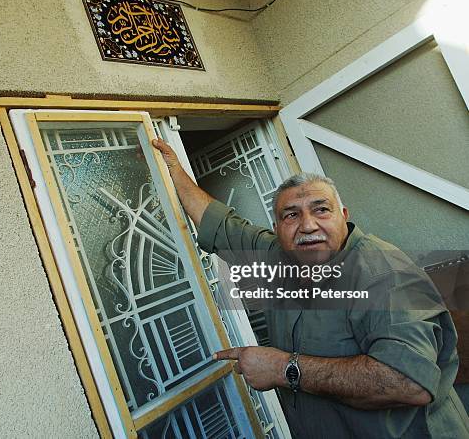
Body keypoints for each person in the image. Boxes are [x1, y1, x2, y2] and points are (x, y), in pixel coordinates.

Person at [152, 138, 469, 438]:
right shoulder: (280, 254)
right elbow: (222, 227)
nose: (307, 225)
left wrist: (282, 368)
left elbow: (407, 382)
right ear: (277, 229)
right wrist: (174, 171)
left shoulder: (385, 273)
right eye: (291, 215)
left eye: (321, 210)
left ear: (343, 216)